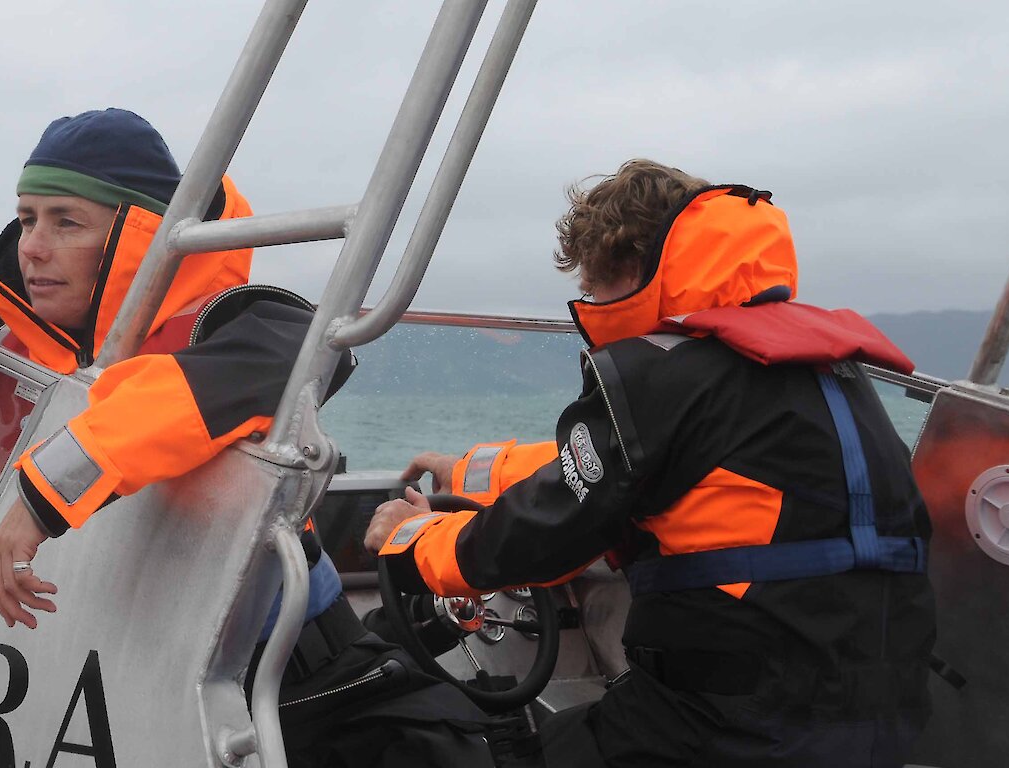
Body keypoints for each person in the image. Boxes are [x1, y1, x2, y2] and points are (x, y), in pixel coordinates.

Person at [0, 107, 490, 767]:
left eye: (67, 222)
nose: (31, 245)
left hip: (291, 683)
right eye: (27, 217)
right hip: (94, 682)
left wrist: (47, 492)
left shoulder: (234, 326)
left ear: (137, 238)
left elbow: (312, 351)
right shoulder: (8, 341)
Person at [365, 159, 935, 767]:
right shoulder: (828, 372)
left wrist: (415, 539)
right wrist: (472, 473)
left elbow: (535, 539)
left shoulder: (663, 370)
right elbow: (634, 469)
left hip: (732, 727)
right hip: (881, 715)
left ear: (633, 270)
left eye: (594, 288)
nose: (588, 305)